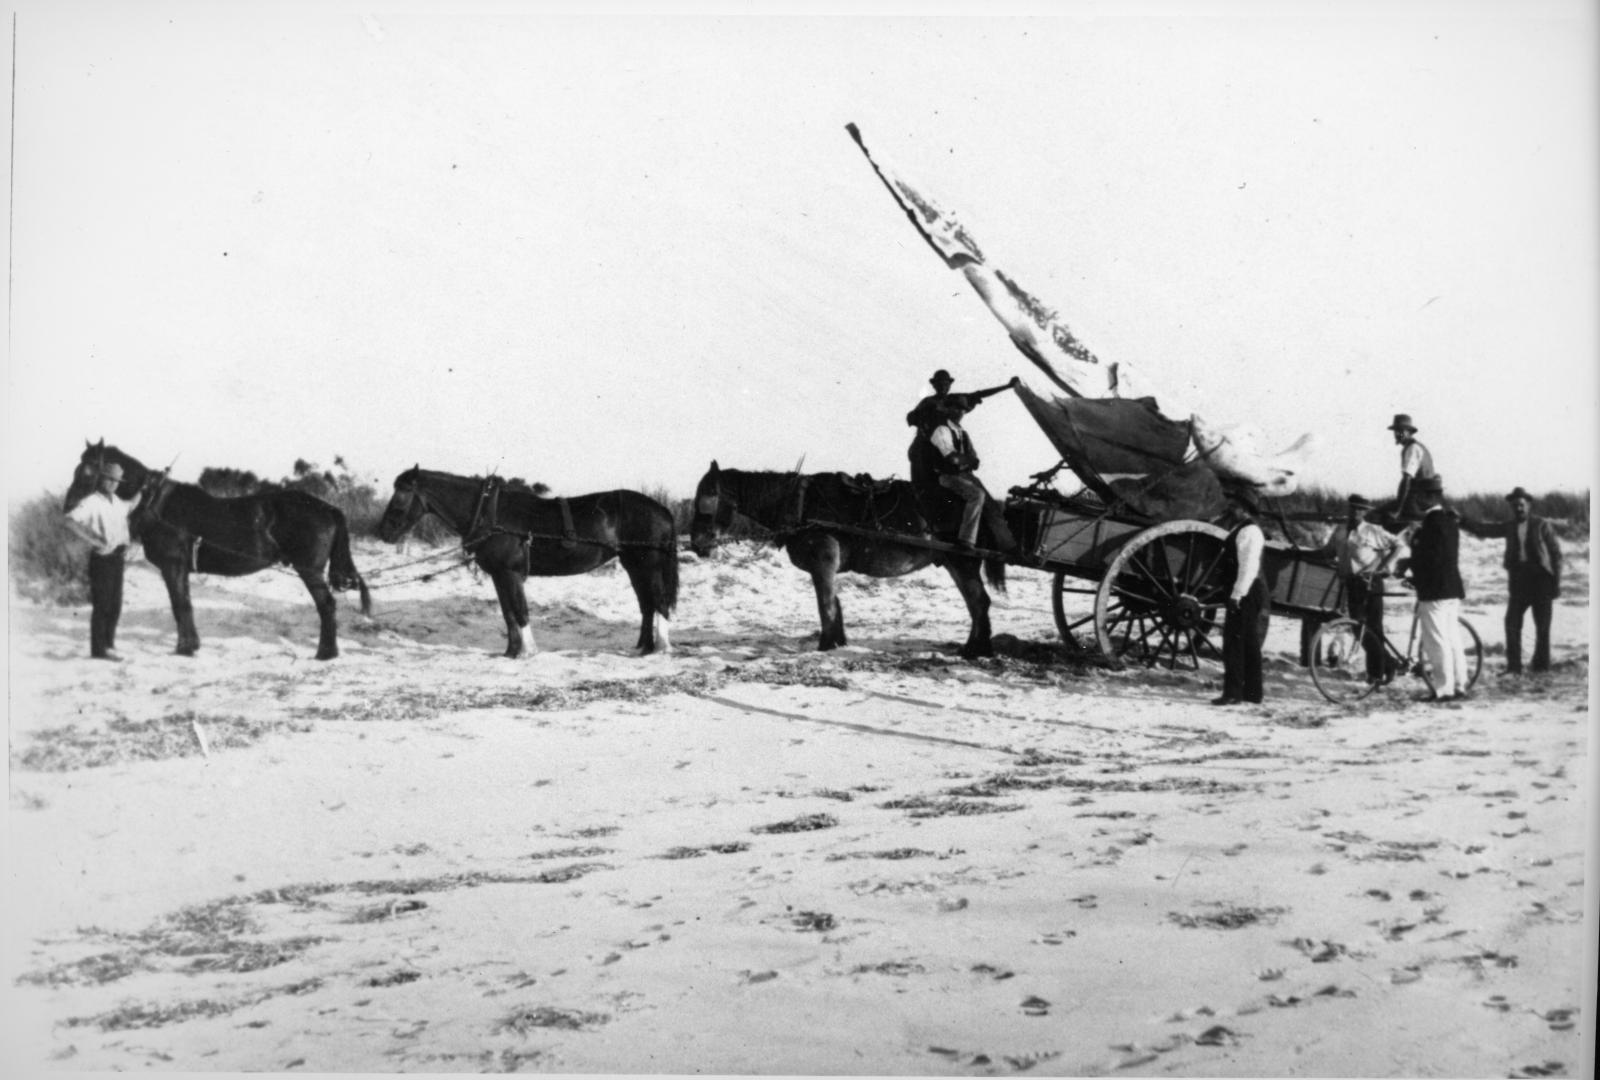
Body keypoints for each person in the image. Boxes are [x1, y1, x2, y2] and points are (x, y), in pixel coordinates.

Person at [906, 370, 1019, 552]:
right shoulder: (928, 404)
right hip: (931, 452)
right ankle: (965, 539)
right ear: (934, 385)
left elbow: (980, 394)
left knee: (990, 503)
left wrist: (1006, 387)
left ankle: (1007, 545)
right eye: (939, 384)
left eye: (946, 383)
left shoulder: (959, 423)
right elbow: (912, 418)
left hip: (955, 461)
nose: (943, 386)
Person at [1459, 486, 1562, 675]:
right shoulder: (1509, 526)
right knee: (1511, 622)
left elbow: (1556, 554)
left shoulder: (1541, 524)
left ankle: (1541, 667)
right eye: (1515, 506)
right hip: (1519, 580)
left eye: (1521, 505)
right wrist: (1462, 521)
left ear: (1528, 505)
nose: (1519, 509)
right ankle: (1514, 668)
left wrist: (1556, 584)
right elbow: (1486, 530)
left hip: (1541, 579)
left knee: (1543, 626)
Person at [62, 460, 143, 661]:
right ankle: (99, 651)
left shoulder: (116, 501)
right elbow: (68, 520)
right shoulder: (92, 501)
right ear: (102, 478)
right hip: (101, 559)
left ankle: (108, 645)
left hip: (118, 558)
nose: (114, 484)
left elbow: (131, 505)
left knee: (115, 605)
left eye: (117, 481)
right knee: (102, 605)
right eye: (110, 479)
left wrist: (146, 488)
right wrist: (93, 540)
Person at [1400, 499, 1469, 701]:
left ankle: (1444, 690)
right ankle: (1460, 684)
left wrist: (1412, 573)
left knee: (1437, 641)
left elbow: (1429, 559)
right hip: (1452, 589)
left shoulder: (1429, 525)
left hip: (1434, 591)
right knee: (1452, 639)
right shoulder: (1449, 522)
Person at [1341, 494, 1405, 682]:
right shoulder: (1341, 530)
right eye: (1353, 508)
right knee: (1358, 630)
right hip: (1353, 584)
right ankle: (1389, 664)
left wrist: (1381, 567)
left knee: (1373, 629)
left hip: (1372, 583)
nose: (1355, 512)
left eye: (1360, 509)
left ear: (1365, 512)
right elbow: (1327, 551)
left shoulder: (1372, 530)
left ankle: (1375, 674)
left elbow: (1398, 545)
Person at [1214, 487, 1269, 706]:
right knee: (1248, 643)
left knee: (1235, 643)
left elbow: (1248, 567)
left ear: (1245, 510)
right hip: (1247, 591)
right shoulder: (1243, 528)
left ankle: (1233, 693)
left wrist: (1237, 594)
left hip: (1246, 592)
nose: (1231, 509)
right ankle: (1253, 694)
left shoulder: (1250, 532)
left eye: (1235, 506)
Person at [1387, 413, 1443, 524]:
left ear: (1409, 432)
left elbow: (1406, 480)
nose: (1397, 434)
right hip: (1428, 496)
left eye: (1401, 431)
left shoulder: (1412, 449)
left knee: (1380, 515)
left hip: (1419, 499)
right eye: (1396, 431)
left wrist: (1398, 510)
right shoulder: (1419, 447)